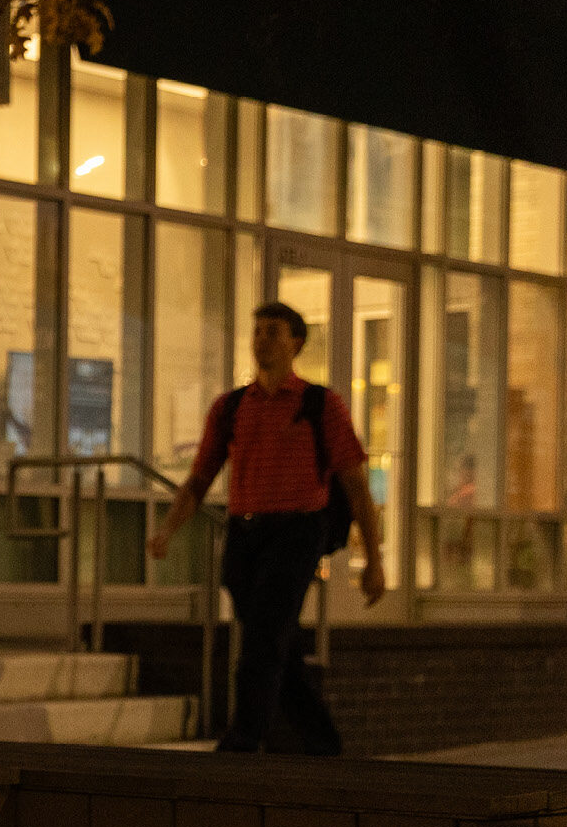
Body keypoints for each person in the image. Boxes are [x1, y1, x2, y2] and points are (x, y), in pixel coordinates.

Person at [146, 302, 388, 754]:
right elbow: (199, 479)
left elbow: (357, 487)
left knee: (261, 637)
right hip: (245, 534)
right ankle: (322, 743)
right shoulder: (232, 407)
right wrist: (167, 530)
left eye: (273, 332)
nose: (262, 340)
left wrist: (374, 561)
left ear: (296, 342)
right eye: (257, 331)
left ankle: (245, 736)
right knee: (277, 641)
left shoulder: (321, 404)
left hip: (297, 533)